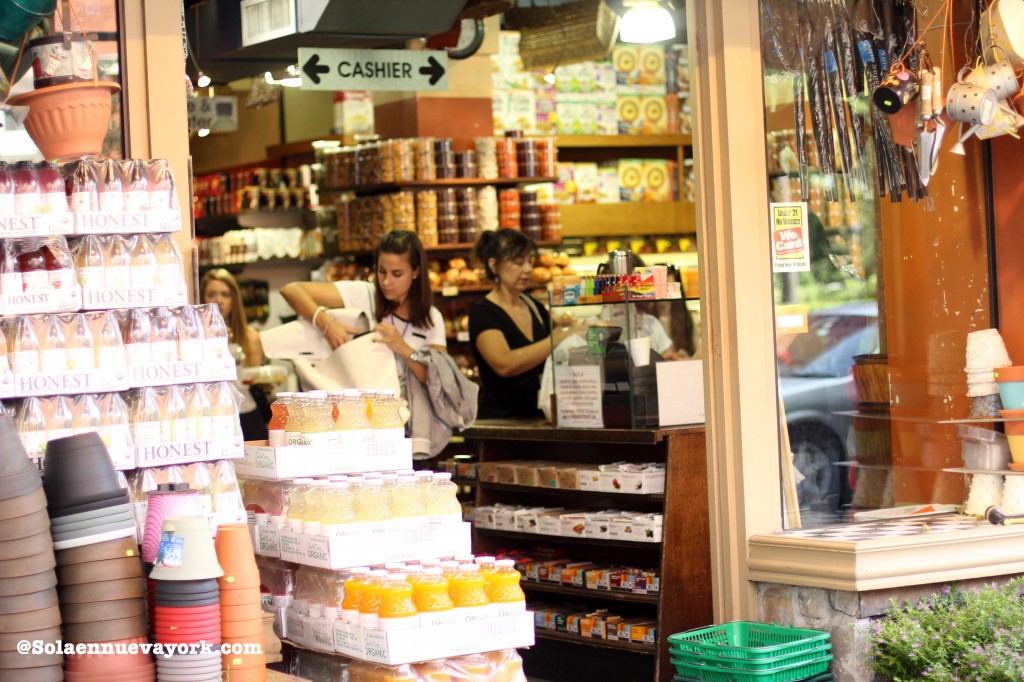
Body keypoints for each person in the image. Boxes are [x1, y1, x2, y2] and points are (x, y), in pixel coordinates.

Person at [280, 230, 469, 456]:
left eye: (397, 274)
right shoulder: (364, 294)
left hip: (400, 426)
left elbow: (437, 378)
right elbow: (291, 290)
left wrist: (402, 348)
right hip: (350, 421)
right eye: (382, 272)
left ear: (416, 272)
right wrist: (326, 322)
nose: (387, 282)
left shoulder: (430, 318)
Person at [470, 228, 582, 419]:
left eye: (530, 261)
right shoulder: (483, 313)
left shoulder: (534, 307)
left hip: (540, 418)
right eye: (518, 262)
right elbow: (504, 364)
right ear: (493, 265)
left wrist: (566, 327)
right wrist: (556, 338)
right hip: (501, 423)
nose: (528, 269)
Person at [200, 268, 268, 441]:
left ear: (234, 299)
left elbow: (254, 378)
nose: (218, 301)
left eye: (225, 294)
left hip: (247, 413)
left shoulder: (251, 337)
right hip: (210, 416)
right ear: (201, 298)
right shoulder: (194, 338)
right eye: (211, 294)